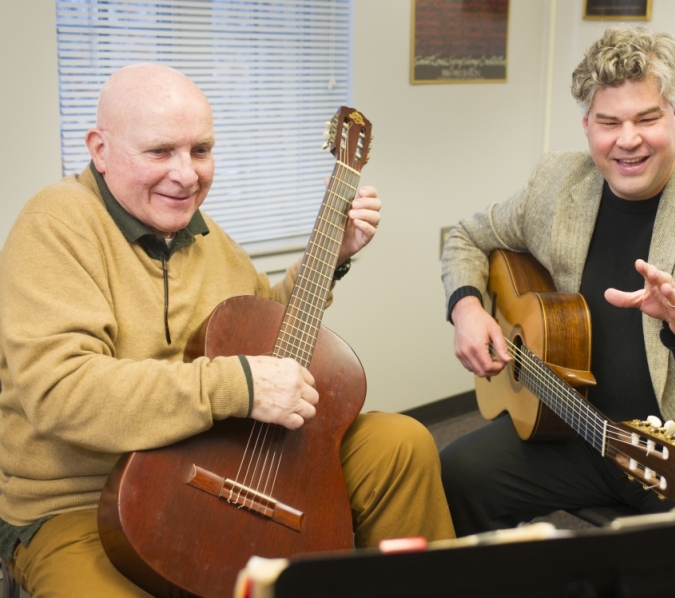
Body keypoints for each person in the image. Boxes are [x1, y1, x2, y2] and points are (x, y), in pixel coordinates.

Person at [0, 64, 454, 596]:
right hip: (77, 497)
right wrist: (238, 385)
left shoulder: (203, 232)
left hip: (206, 453)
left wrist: (329, 255)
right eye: (160, 151)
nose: (187, 175)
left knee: (402, 443)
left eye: (200, 150)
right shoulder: (57, 224)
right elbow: (62, 393)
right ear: (100, 149)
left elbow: (263, 327)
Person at [439, 26, 675, 536]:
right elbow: (467, 237)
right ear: (587, 125)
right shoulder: (557, 182)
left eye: (646, 118)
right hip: (578, 428)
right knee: (456, 474)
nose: (627, 140)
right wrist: (467, 308)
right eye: (608, 122)